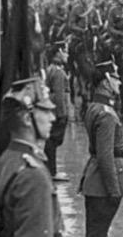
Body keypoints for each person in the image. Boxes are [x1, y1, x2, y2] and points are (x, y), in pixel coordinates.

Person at [0, 76, 63, 237]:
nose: (53, 118)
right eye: (45, 111)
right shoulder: (33, 176)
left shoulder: (6, 159)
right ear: (26, 118)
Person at [80, 60, 123, 237]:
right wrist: (114, 190)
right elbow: (105, 156)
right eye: (116, 78)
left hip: (94, 182)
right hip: (103, 186)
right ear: (106, 80)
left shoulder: (93, 107)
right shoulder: (107, 115)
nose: (120, 82)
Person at [44, 41, 71, 181]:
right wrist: (62, 114)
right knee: (53, 142)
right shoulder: (59, 72)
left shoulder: (51, 68)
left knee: (51, 142)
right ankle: (52, 172)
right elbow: (60, 95)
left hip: (51, 111)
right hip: (57, 112)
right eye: (65, 51)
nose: (67, 54)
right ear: (59, 52)